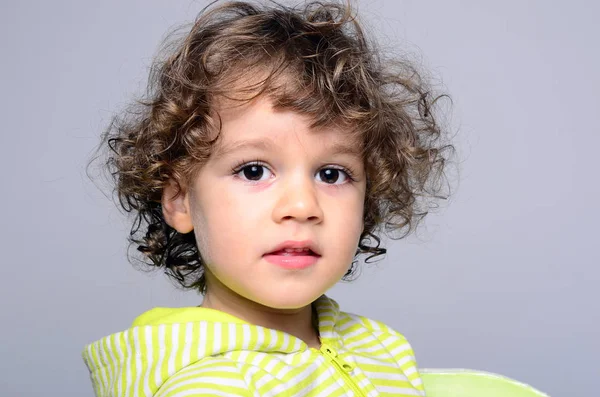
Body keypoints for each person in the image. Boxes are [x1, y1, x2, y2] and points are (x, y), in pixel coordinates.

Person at [82, 1, 454, 396]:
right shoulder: (210, 384)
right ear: (179, 200)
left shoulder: (381, 349)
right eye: (254, 170)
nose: (302, 206)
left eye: (332, 174)